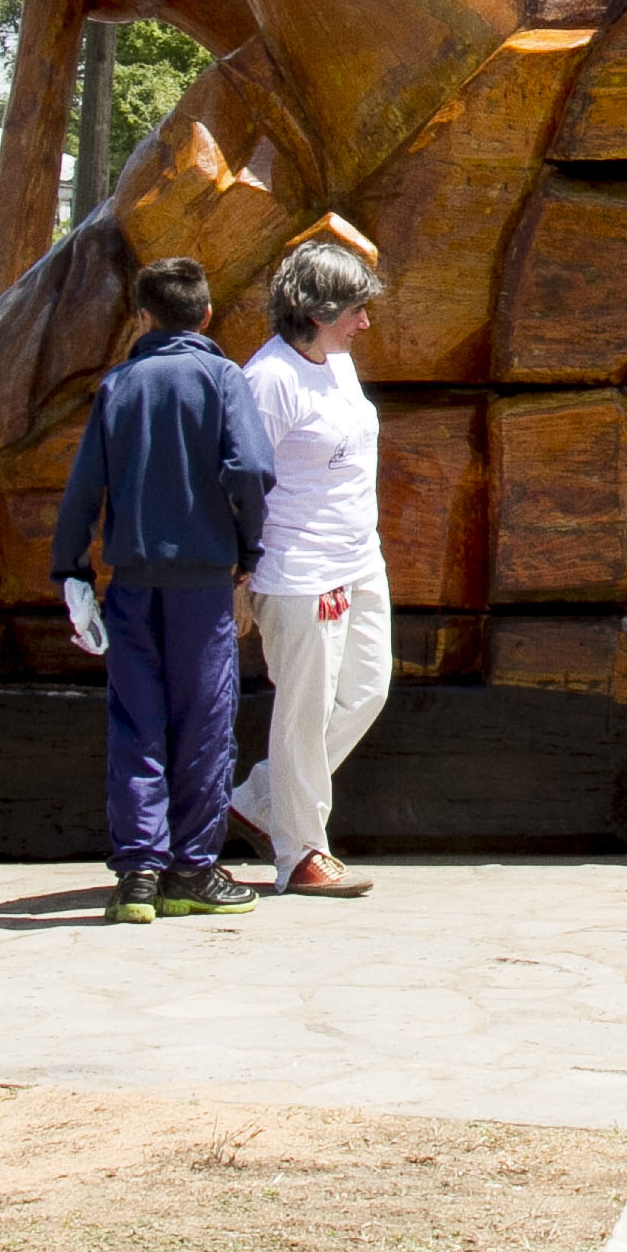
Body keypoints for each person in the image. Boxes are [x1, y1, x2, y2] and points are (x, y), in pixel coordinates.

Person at [52, 255, 275, 923]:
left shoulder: (118, 386)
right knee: (204, 727)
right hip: (201, 585)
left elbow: (83, 488)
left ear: (142, 317)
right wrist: (247, 550)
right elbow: (252, 469)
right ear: (206, 314)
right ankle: (192, 869)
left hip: (131, 584)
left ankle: (138, 875)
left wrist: (72, 571)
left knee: (136, 724)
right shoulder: (221, 379)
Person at [226, 240, 390, 898]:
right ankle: (300, 852)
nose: (365, 323)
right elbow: (238, 483)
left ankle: (265, 797)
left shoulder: (337, 364)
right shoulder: (268, 381)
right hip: (298, 569)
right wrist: (240, 582)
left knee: (366, 690)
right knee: (305, 707)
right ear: (317, 310)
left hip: (358, 558)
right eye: (355, 309)